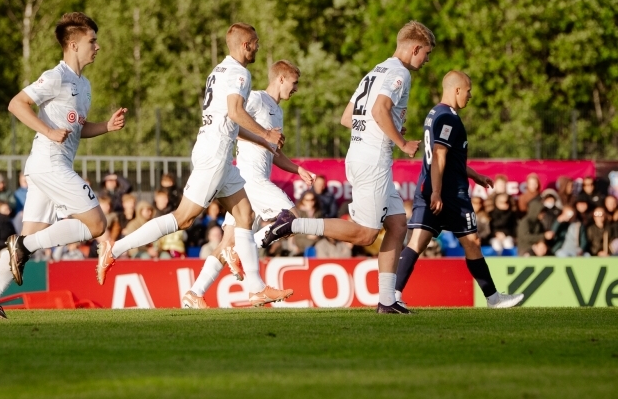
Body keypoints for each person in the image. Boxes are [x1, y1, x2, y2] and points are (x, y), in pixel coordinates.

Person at [98, 23, 294, 308]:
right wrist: (266, 133)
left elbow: (230, 122)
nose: (257, 48)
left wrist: (265, 142)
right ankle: (115, 249)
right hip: (214, 154)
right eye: (255, 43)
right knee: (183, 218)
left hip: (218, 153)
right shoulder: (240, 73)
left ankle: (256, 289)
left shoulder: (219, 71)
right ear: (245, 45)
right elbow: (236, 113)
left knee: (244, 214)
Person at [260, 20, 433, 314]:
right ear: (415, 48)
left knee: (397, 224)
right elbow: (379, 110)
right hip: (374, 159)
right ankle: (293, 224)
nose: (426, 60)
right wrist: (401, 143)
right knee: (366, 234)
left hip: (362, 154)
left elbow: (346, 117)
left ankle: (387, 300)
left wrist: (372, 134)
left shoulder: (376, 70)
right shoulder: (399, 73)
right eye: (426, 54)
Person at [0, 12, 127, 320]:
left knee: (27, 243)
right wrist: (48, 131)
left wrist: (106, 127)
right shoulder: (56, 76)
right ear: (72, 44)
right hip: (49, 163)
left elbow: (79, 129)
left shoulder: (84, 85)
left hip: (48, 168)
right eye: (91, 41)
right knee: (97, 224)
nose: (97, 46)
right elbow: (16, 103)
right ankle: (24, 245)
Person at [182, 60, 315, 308]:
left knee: (227, 244)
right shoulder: (255, 99)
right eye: (294, 83)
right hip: (250, 178)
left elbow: (272, 150)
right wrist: (263, 134)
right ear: (281, 79)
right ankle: (249, 251)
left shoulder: (279, 111)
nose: (296, 89)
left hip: (246, 184)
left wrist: (297, 169)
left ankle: (194, 293)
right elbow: (234, 121)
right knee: (292, 218)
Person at [394, 71, 523, 309]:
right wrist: (437, 192)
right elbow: (440, 157)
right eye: (468, 90)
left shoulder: (434, 113)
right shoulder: (448, 117)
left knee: (416, 243)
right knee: (472, 242)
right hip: (449, 194)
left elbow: (450, 158)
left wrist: (476, 176)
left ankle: (392, 295)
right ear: (456, 90)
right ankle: (494, 299)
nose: (470, 95)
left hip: (431, 188)